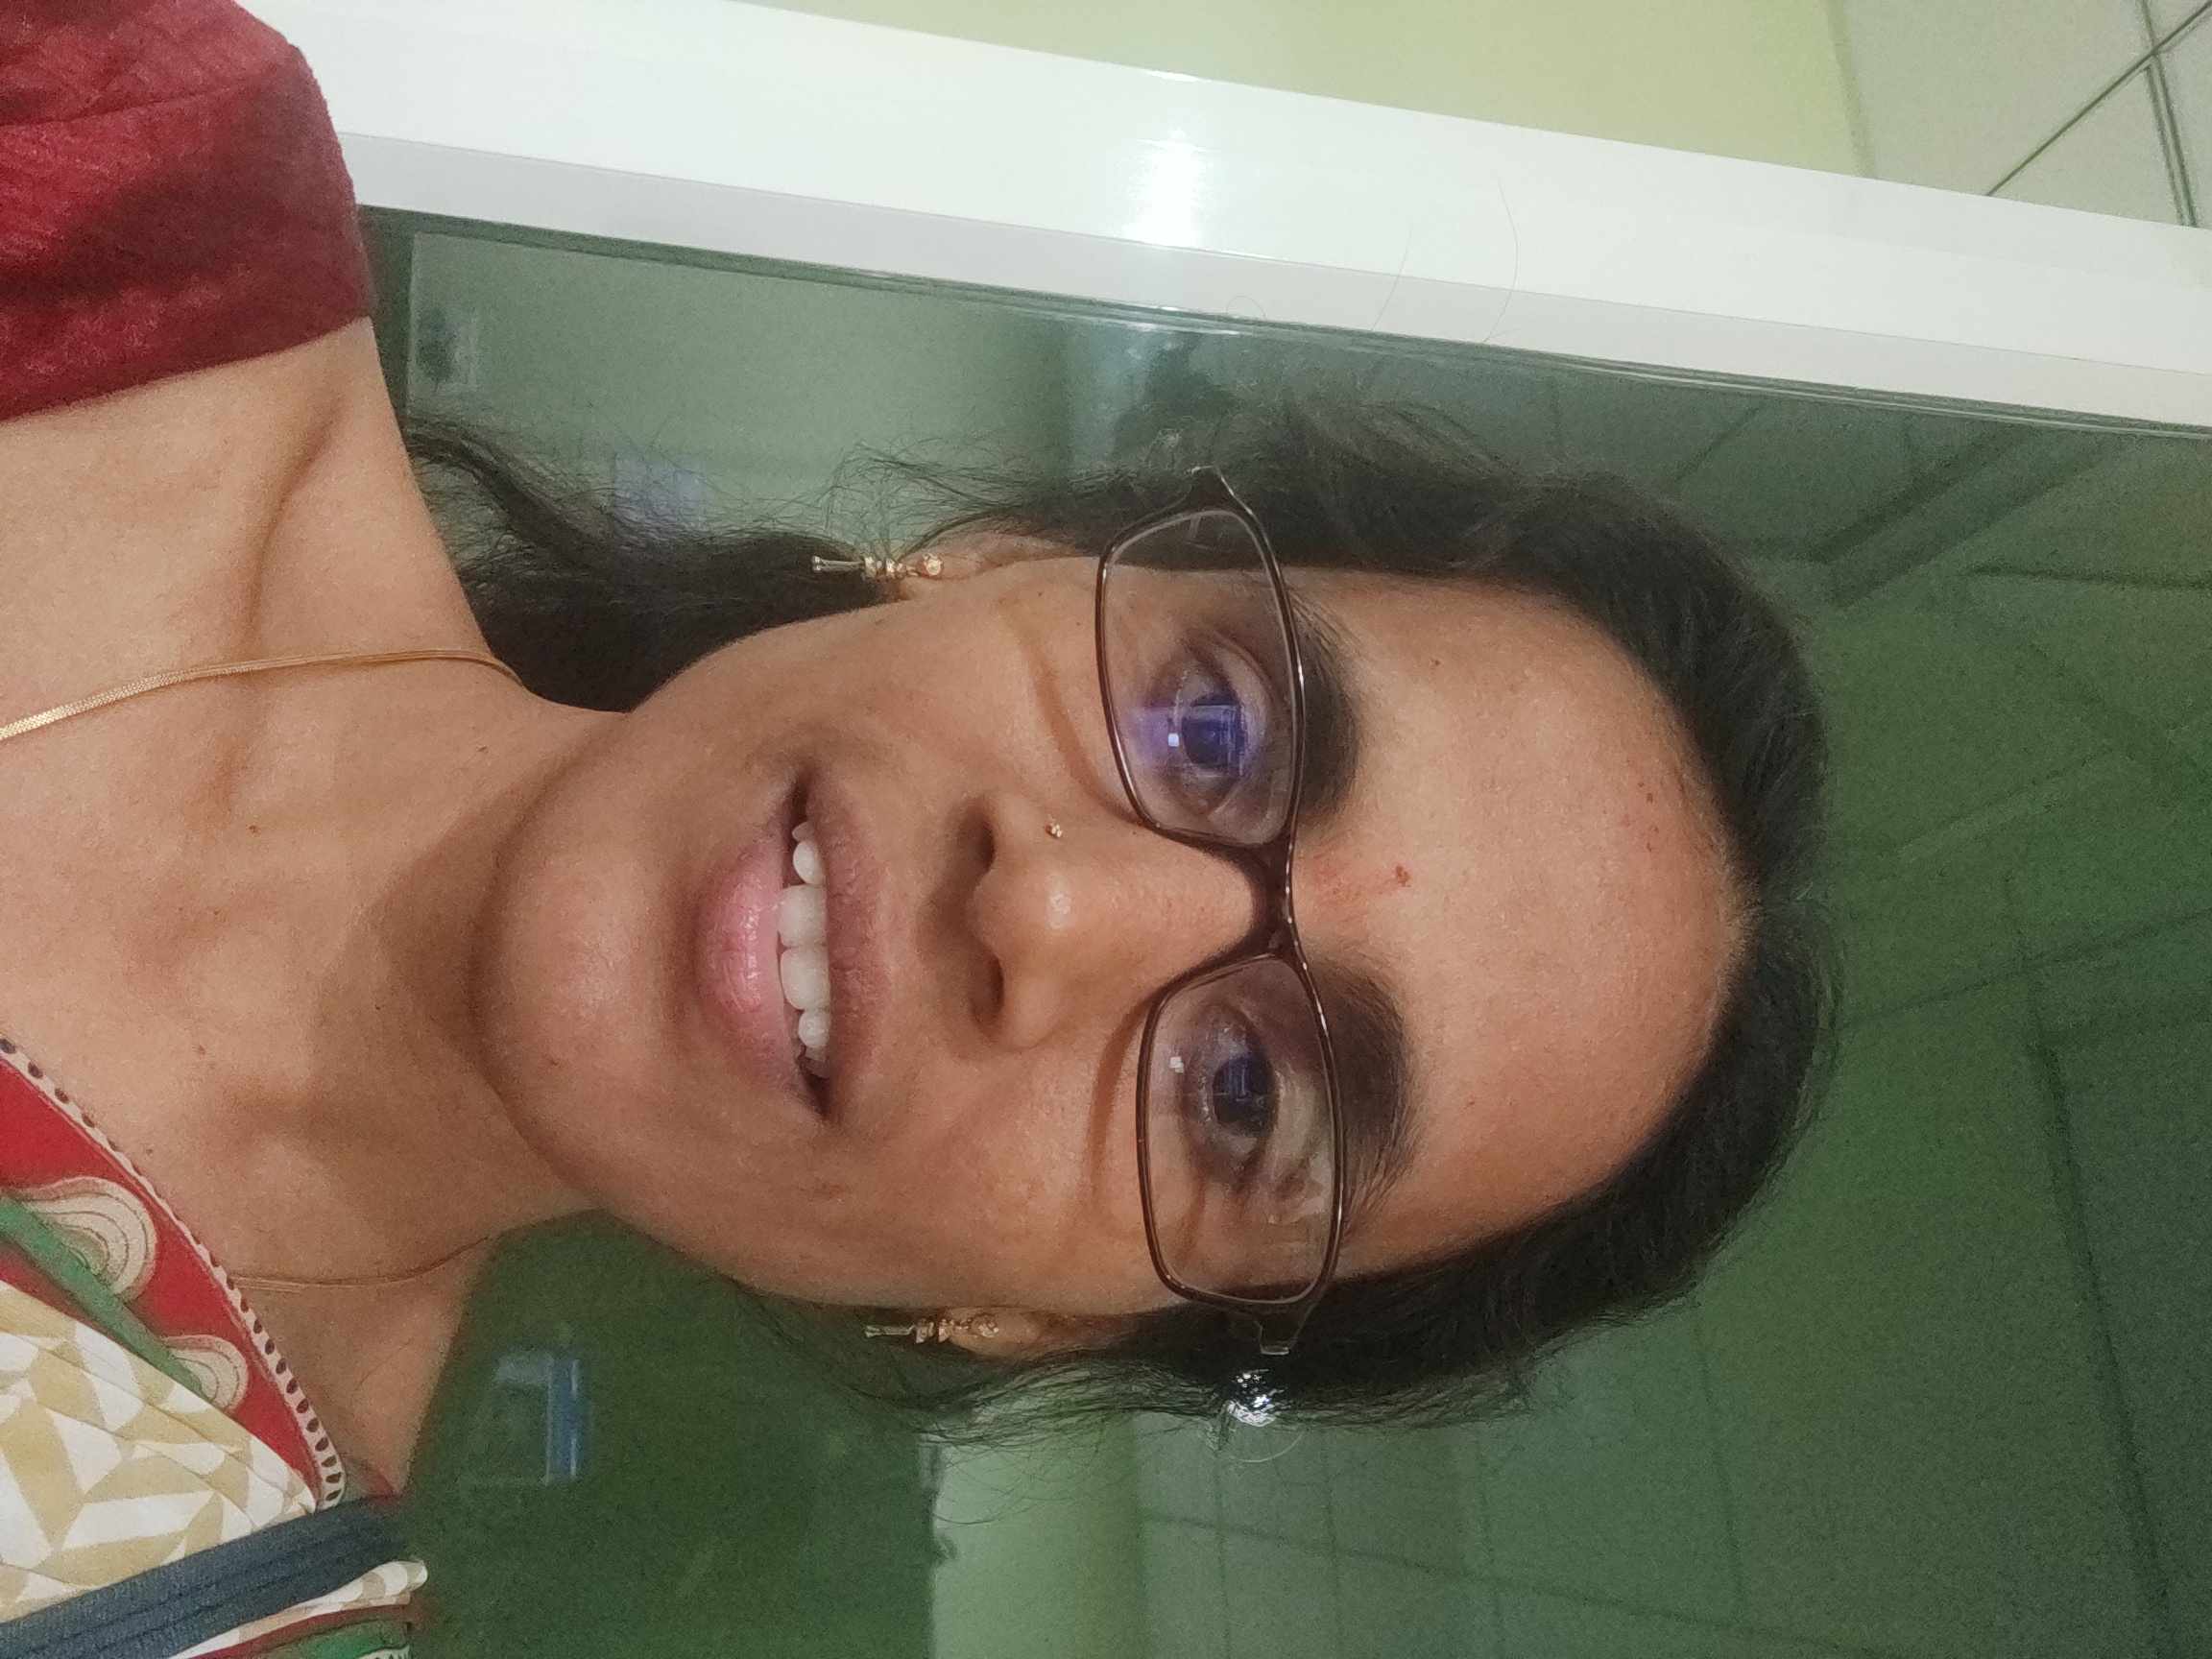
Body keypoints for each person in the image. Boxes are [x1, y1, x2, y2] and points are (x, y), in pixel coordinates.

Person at [0, 0, 1833, 1652]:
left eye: (1243, 1097)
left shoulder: (188, 1611)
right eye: (1214, 723)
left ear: (1044, 1318)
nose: (1053, 915)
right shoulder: (106, 152)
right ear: (1006, 562)